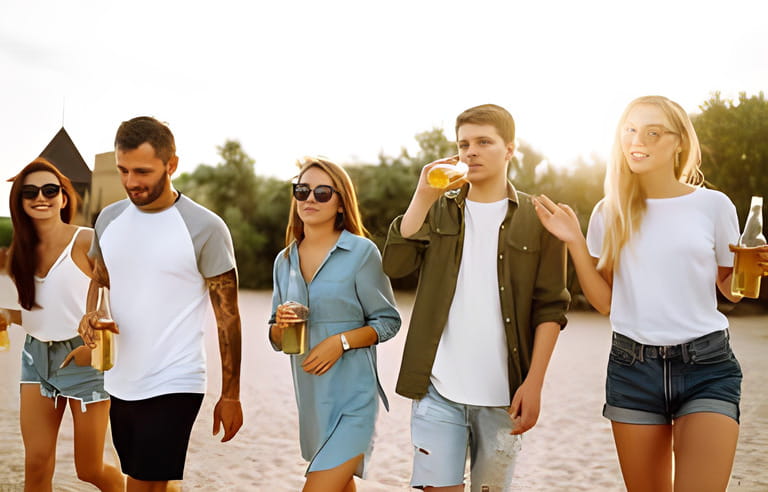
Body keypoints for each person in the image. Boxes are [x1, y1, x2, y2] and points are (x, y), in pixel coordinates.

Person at [532, 95, 759, 491]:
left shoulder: (713, 205)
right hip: (632, 368)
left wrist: (751, 266)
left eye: (653, 133)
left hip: (706, 366)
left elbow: (732, 291)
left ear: (679, 142)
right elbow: (605, 302)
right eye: (631, 130)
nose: (638, 141)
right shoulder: (609, 211)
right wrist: (575, 242)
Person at [382, 104, 570, 491]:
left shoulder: (539, 219)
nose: (471, 152)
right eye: (463, 144)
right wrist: (422, 196)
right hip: (437, 390)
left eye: (484, 142)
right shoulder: (438, 210)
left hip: (504, 396)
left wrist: (534, 384)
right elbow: (395, 265)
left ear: (510, 149)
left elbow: (551, 307)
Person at [71, 116, 244, 492]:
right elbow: (101, 279)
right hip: (120, 379)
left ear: (171, 165)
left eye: (143, 171)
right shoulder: (109, 219)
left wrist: (230, 394)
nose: (131, 181)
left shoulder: (206, 228)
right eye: (123, 170)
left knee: (142, 483)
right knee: (148, 480)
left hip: (176, 379)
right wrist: (91, 314)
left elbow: (228, 318)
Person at [269, 157, 401, 492]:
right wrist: (280, 326)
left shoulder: (362, 253)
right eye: (302, 190)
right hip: (312, 400)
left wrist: (339, 342)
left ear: (340, 203)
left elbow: (388, 321)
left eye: (322, 192)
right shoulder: (284, 261)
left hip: (354, 399)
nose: (310, 199)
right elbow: (275, 336)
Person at [1, 158, 124, 491]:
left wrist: (95, 347)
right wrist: (8, 316)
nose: (40, 197)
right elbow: (38, 314)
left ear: (64, 197)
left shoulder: (86, 241)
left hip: (84, 359)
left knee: (90, 469)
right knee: (36, 462)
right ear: (19, 201)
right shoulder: (19, 253)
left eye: (49, 190)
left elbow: (124, 298)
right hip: (35, 358)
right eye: (29, 192)